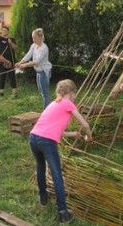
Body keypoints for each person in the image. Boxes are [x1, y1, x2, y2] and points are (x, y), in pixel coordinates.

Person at [29, 79, 92, 223]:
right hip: (46, 142)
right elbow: (85, 124)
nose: (75, 97)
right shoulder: (68, 103)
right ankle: (63, 211)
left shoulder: (53, 103)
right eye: (74, 94)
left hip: (33, 138)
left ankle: (43, 198)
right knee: (57, 173)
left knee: (40, 167)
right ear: (70, 93)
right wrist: (89, 136)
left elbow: (49, 128)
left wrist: (71, 134)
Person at [15, 28, 52, 109]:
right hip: (38, 72)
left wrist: (25, 65)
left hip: (44, 72)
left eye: (34, 38)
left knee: (45, 93)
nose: (33, 39)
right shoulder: (33, 46)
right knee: (41, 91)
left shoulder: (44, 48)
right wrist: (20, 62)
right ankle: (48, 109)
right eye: (32, 38)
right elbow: (28, 55)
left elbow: (37, 61)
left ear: (40, 37)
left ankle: (46, 112)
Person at [0, 25, 18, 98]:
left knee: (12, 76)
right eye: (3, 30)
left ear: (8, 31)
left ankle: (14, 92)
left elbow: (15, 47)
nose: (4, 31)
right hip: (1, 60)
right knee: (2, 76)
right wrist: (0, 27)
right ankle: (1, 92)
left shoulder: (11, 39)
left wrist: (10, 42)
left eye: (5, 30)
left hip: (11, 60)